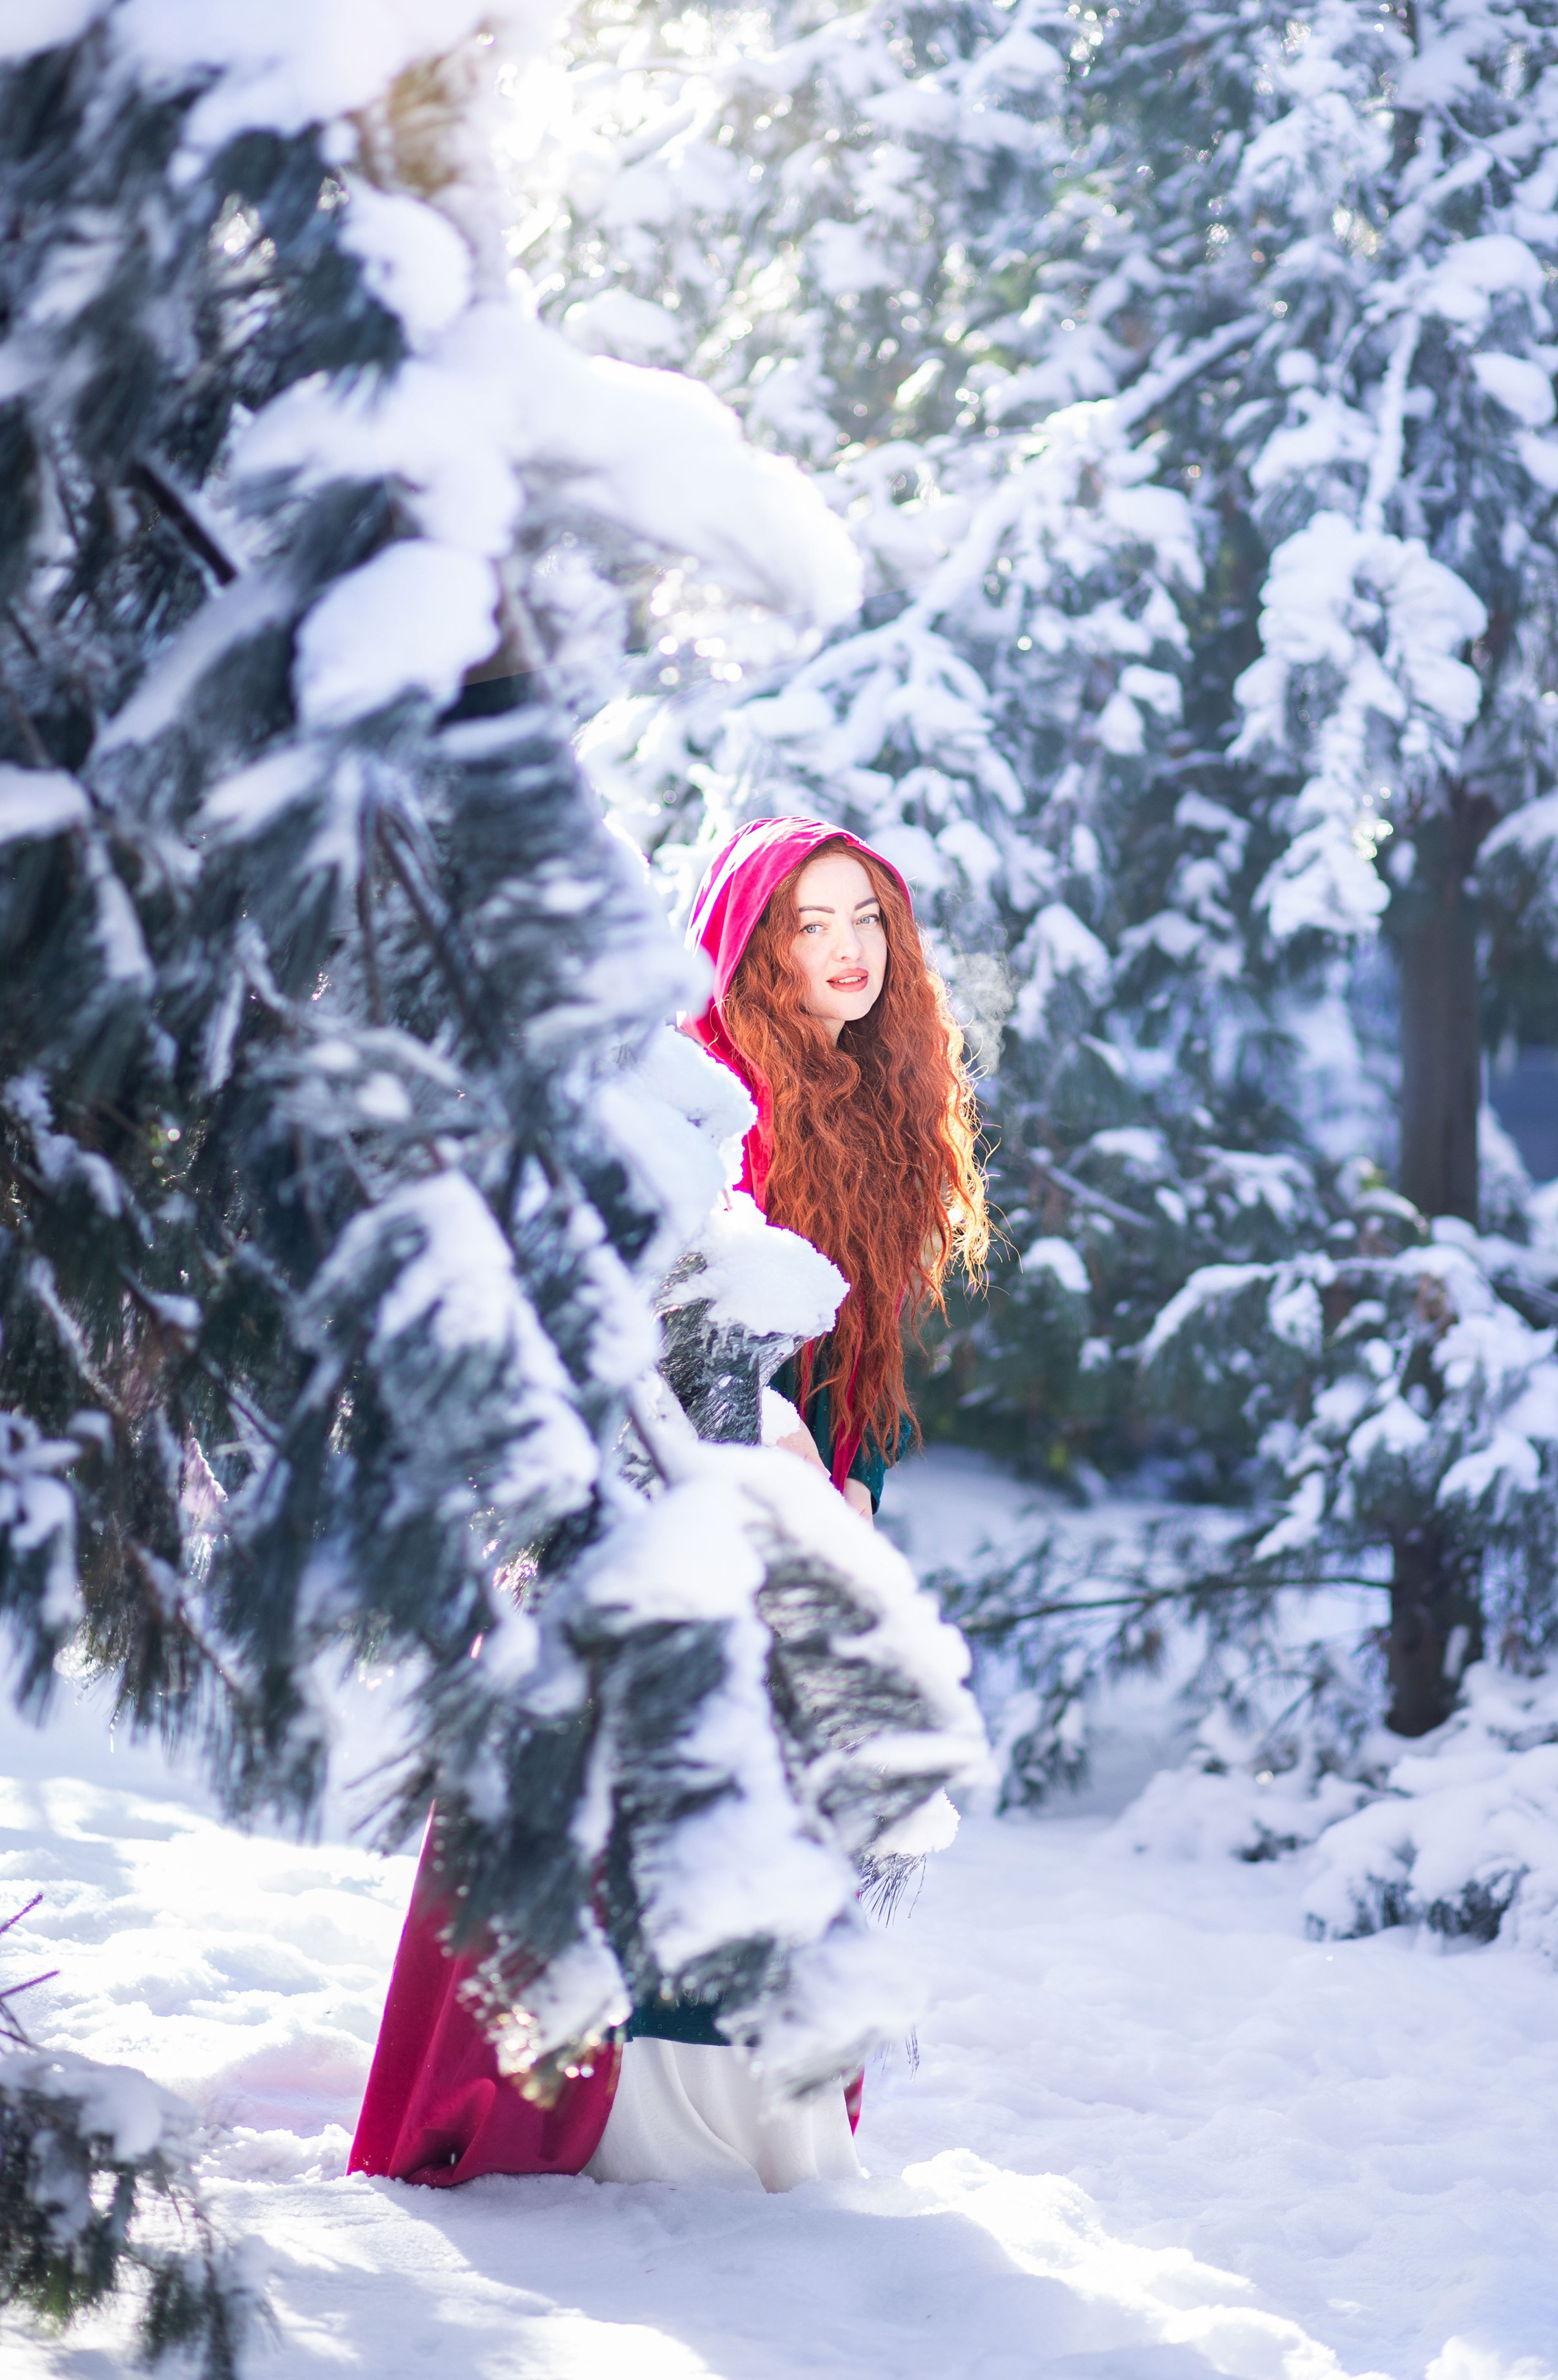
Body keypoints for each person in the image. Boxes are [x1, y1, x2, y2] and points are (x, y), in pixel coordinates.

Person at [347, 815, 987, 2194]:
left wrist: (850, 1493)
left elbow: (857, 1359)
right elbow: (668, 1331)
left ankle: (748, 2130)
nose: (844, 949)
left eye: (866, 918)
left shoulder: (883, 1112)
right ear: (748, 944)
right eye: (808, 921)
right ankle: (612, 2137)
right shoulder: (707, 1098)